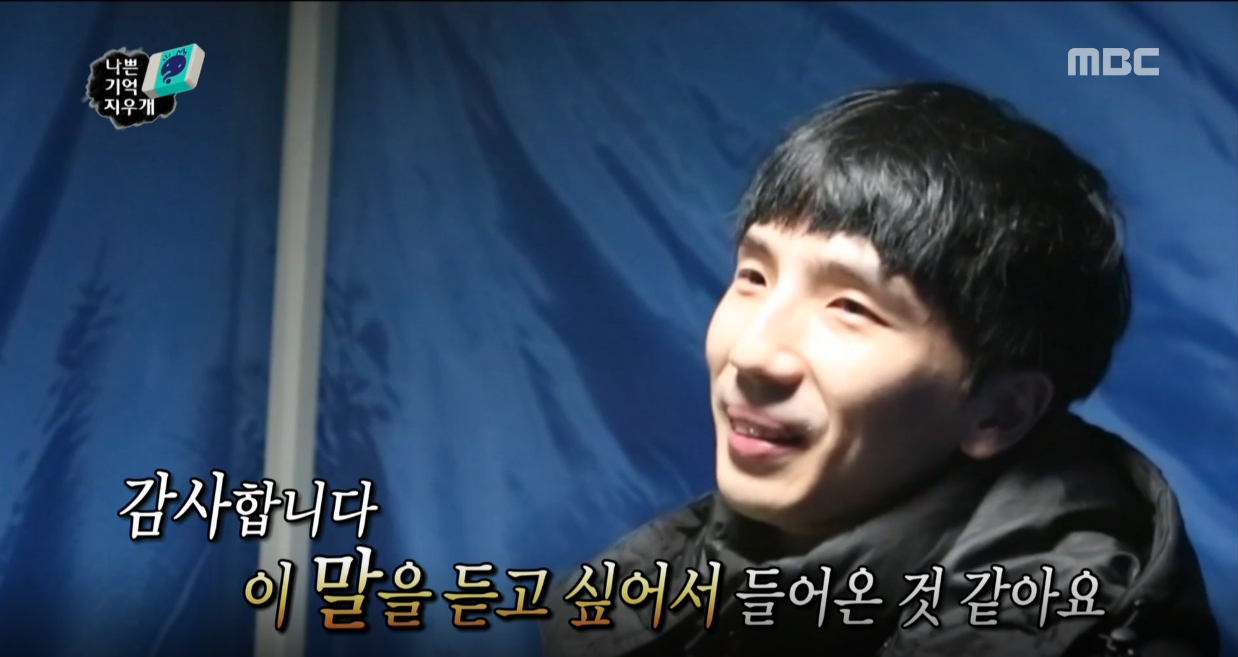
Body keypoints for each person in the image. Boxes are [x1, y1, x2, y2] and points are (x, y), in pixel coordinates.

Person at [538, 83, 1219, 657]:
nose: (752, 353)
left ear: (999, 411)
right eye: (754, 276)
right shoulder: (658, 594)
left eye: (850, 307)